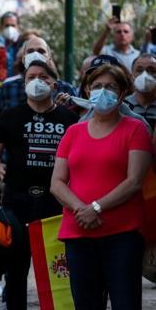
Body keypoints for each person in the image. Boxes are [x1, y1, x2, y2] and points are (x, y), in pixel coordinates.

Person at [51, 64, 153, 310]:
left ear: (121, 94)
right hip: (78, 233)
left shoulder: (136, 129)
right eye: (97, 86)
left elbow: (134, 182)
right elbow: (56, 182)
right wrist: (80, 209)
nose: (103, 92)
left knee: (125, 303)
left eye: (111, 87)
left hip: (122, 235)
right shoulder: (73, 132)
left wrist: (95, 208)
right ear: (87, 90)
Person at [0, 60, 79, 309]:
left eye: (44, 77)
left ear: (55, 84)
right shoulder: (9, 117)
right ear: (24, 84)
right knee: (15, 274)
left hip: (57, 206)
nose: (38, 81)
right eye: (31, 77)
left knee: (60, 272)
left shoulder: (70, 119)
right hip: (17, 204)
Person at [0, 37, 76, 146]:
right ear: (23, 58)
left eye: (41, 51)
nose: (35, 54)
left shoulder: (66, 89)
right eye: (30, 51)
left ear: (49, 57)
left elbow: (80, 127)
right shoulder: (7, 89)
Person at [124, 53, 156, 130]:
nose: (144, 75)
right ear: (132, 77)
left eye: (151, 70)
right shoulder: (123, 106)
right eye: (139, 70)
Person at [0, 12, 22, 77]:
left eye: (13, 25)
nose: (10, 28)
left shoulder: (24, 44)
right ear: (1, 27)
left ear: (18, 26)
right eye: (7, 26)